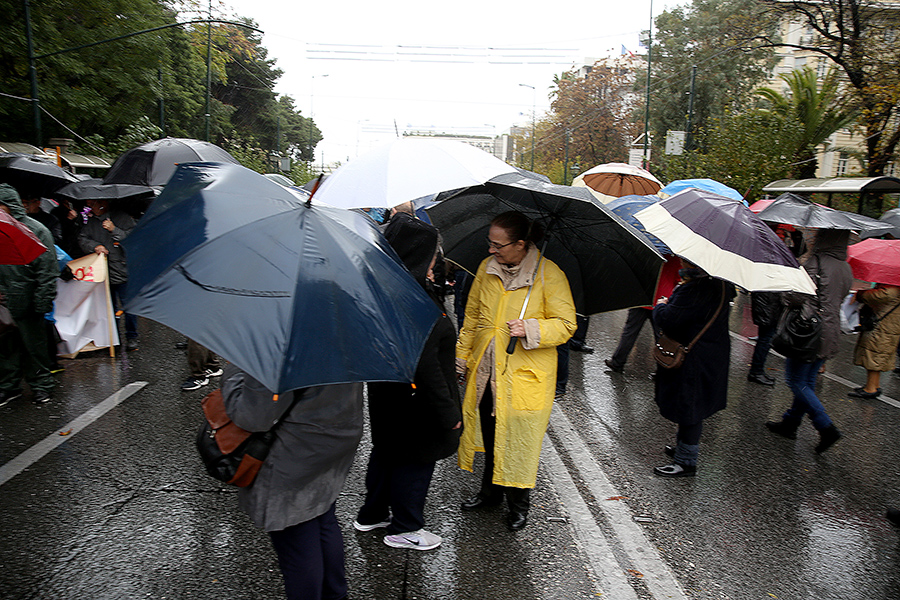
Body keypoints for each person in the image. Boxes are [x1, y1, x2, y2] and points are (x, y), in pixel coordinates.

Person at [456, 211, 576, 531]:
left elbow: (566, 325)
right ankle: (490, 493)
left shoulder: (549, 274)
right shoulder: (486, 268)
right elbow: (472, 318)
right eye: (490, 243)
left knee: (520, 440)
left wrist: (532, 328)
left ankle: (519, 503)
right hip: (485, 370)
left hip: (525, 376)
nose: (492, 249)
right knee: (493, 434)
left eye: (499, 245)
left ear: (521, 244)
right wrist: (462, 357)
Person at [353, 213, 461, 551]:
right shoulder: (417, 303)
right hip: (418, 403)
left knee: (387, 453)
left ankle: (371, 514)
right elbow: (427, 369)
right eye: (432, 258)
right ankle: (406, 527)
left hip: (389, 396)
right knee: (415, 463)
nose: (435, 265)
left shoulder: (385, 289)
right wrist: (449, 415)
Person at [221, 364, 364, 600]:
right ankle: (336, 595)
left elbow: (252, 416)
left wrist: (234, 372)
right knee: (323, 518)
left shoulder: (279, 345)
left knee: (297, 539)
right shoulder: (343, 333)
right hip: (332, 443)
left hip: (293, 456)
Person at [766, 229, 851, 454]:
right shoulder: (845, 266)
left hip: (808, 330)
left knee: (796, 380)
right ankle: (790, 422)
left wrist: (786, 290)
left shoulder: (815, 262)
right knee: (808, 380)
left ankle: (825, 426)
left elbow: (797, 295)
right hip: (830, 330)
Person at [652, 260, 735, 477]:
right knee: (691, 403)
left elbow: (669, 319)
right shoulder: (721, 285)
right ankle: (683, 448)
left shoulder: (696, 289)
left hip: (693, 357)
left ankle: (686, 462)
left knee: (690, 406)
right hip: (710, 354)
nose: (681, 260)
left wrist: (661, 305)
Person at [0, 184, 59, 405]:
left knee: (34, 347)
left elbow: (47, 270)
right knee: (6, 349)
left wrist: (42, 301)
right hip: (4, 301)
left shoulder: (36, 230)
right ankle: (8, 386)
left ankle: (41, 385)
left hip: (28, 300)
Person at [78, 198, 138, 351]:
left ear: (103, 203)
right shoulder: (92, 222)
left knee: (129, 307)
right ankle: (114, 338)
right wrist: (95, 246)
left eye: (93, 204)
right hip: (103, 272)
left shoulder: (123, 218)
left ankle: (132, 336)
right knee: (108, 309)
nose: (90, 208)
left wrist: (114, 230)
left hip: (124, 270)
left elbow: (134, 239)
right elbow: (82, 238)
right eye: (88, 205)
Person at [604, 256, 681, 373]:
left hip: (642, 297)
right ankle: (663, 367)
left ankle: (617, 362)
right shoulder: (674, 258)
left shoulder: (647, 252)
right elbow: (677, 279)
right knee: (661, 337)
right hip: (661, 300)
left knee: (630, 332)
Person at [848, 283, 900, 399]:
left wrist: (861, 294)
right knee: (878, 355)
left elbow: (877, 296)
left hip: (882, 328)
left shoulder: (892, 290)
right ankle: (874, 385)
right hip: (889, 327)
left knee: (874, 355)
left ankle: (870, 388)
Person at [747, 291, 782, 385]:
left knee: (765, 338)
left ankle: (757, 370)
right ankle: (756, 371)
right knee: (765, 339)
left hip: (768, 304)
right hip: (768, 305)